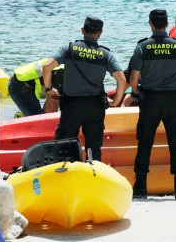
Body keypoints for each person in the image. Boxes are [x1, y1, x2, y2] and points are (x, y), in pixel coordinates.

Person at [130, 9, 176, 200]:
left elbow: (134, 78)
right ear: (168, 25)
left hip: (150, 99)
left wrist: (136, 93)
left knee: (145, 142)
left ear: (150, 24)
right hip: (173, 100)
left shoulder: (142, 47)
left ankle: (140, 187)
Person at [42, 16, 126, 161]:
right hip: (95, 107)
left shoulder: (68, 49)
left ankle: (65, 175)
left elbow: (47, 66)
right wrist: (114, 102)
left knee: (63, 146)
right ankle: (94, 175)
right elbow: (122, 80)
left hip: (72, 106)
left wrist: (49, 88)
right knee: (94, 149)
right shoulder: (106, 55)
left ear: (82, 30)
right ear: (100, 33)